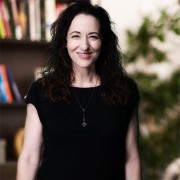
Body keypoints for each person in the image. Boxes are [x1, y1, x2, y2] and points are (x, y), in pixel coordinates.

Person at [16, 2, 141, 180]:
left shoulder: (125, 90)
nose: (84, 46)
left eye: (93, 36)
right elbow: (29, 158)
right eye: (76, 36)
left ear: (103, 41)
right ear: (65, 41)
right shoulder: (41, 91)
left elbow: (131, 158)